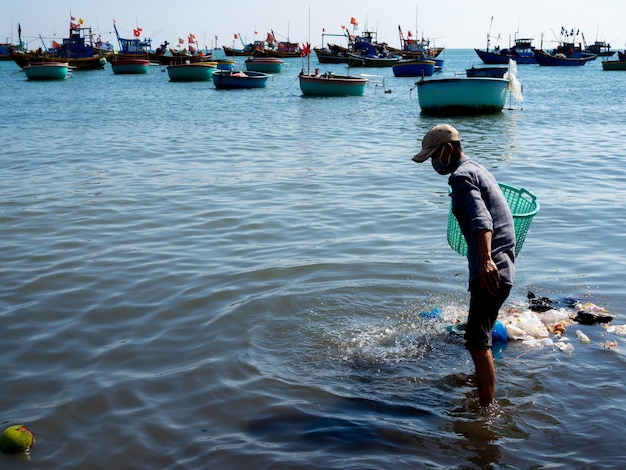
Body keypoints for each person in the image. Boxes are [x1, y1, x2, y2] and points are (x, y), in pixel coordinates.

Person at [412, 124, 515, 409]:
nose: (433, 163)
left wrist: (485, 261)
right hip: (503, 265)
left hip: (491, 270)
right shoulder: (477, 169)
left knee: (476, 342)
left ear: (447, 150)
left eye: (434, 155)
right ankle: (481, 384)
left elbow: (483, 220)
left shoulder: (460, 176)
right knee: (479, 337)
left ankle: (486, 415)